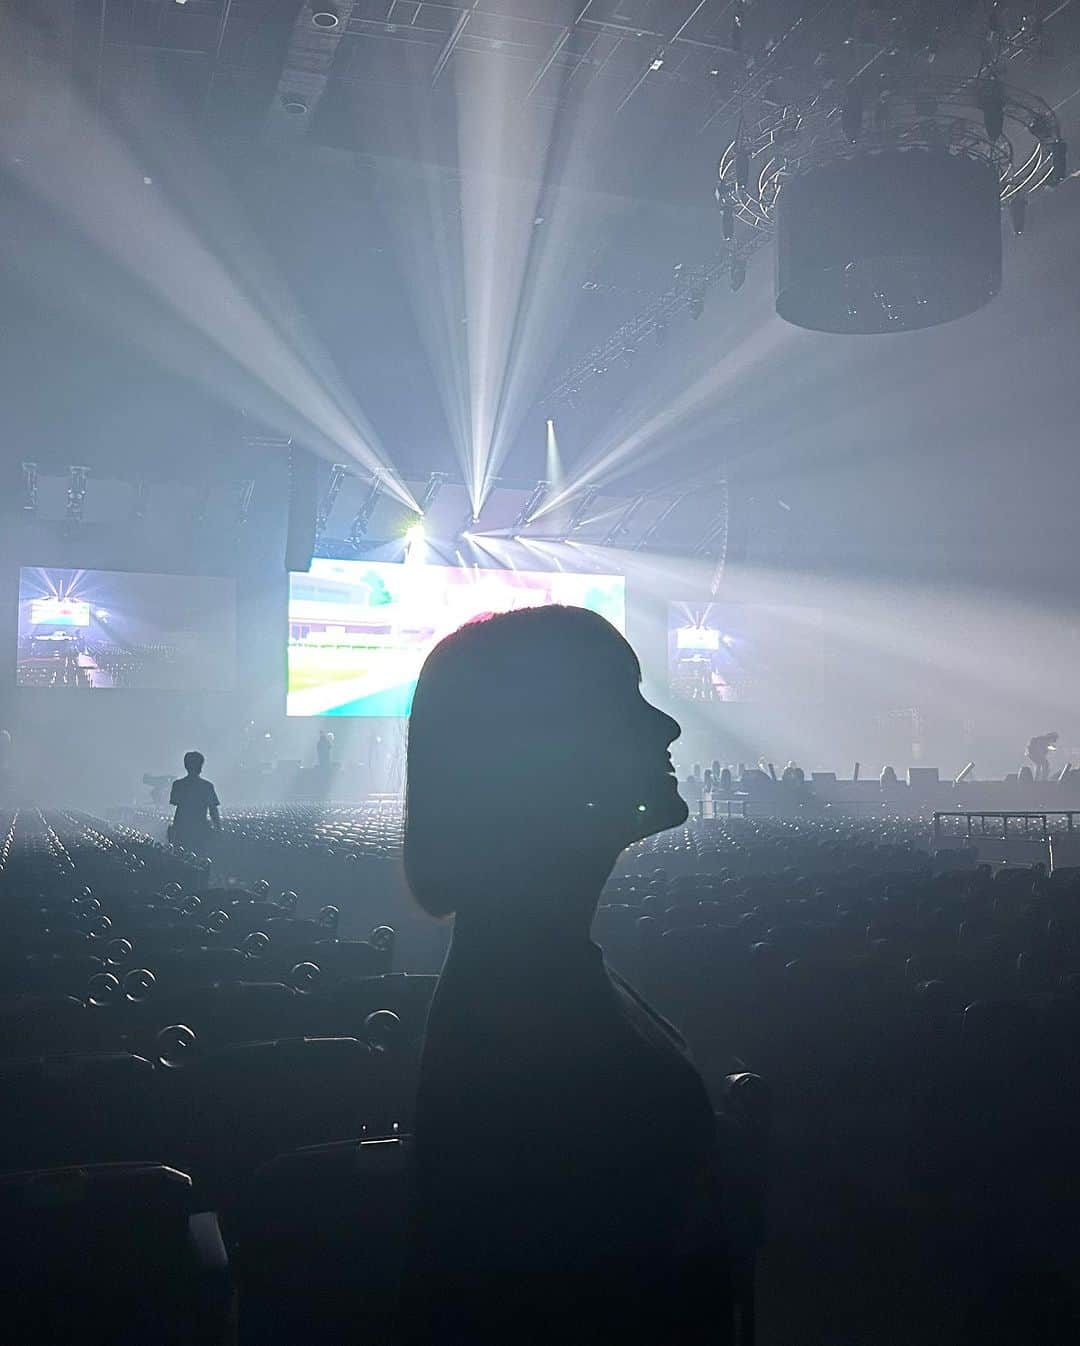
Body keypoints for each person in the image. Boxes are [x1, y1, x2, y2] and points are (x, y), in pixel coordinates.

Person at [400, 606, 731, 1346]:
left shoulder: (523, 966)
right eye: (626, 700)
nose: (668, 729)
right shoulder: (529, 1013)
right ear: (546, 756)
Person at [168, 751, 220, 855]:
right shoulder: (207, 786)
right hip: (200, 829)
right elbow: (213, 810)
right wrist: (218, 828)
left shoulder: (178, 785)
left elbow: (174, 801)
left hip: (181, 829)